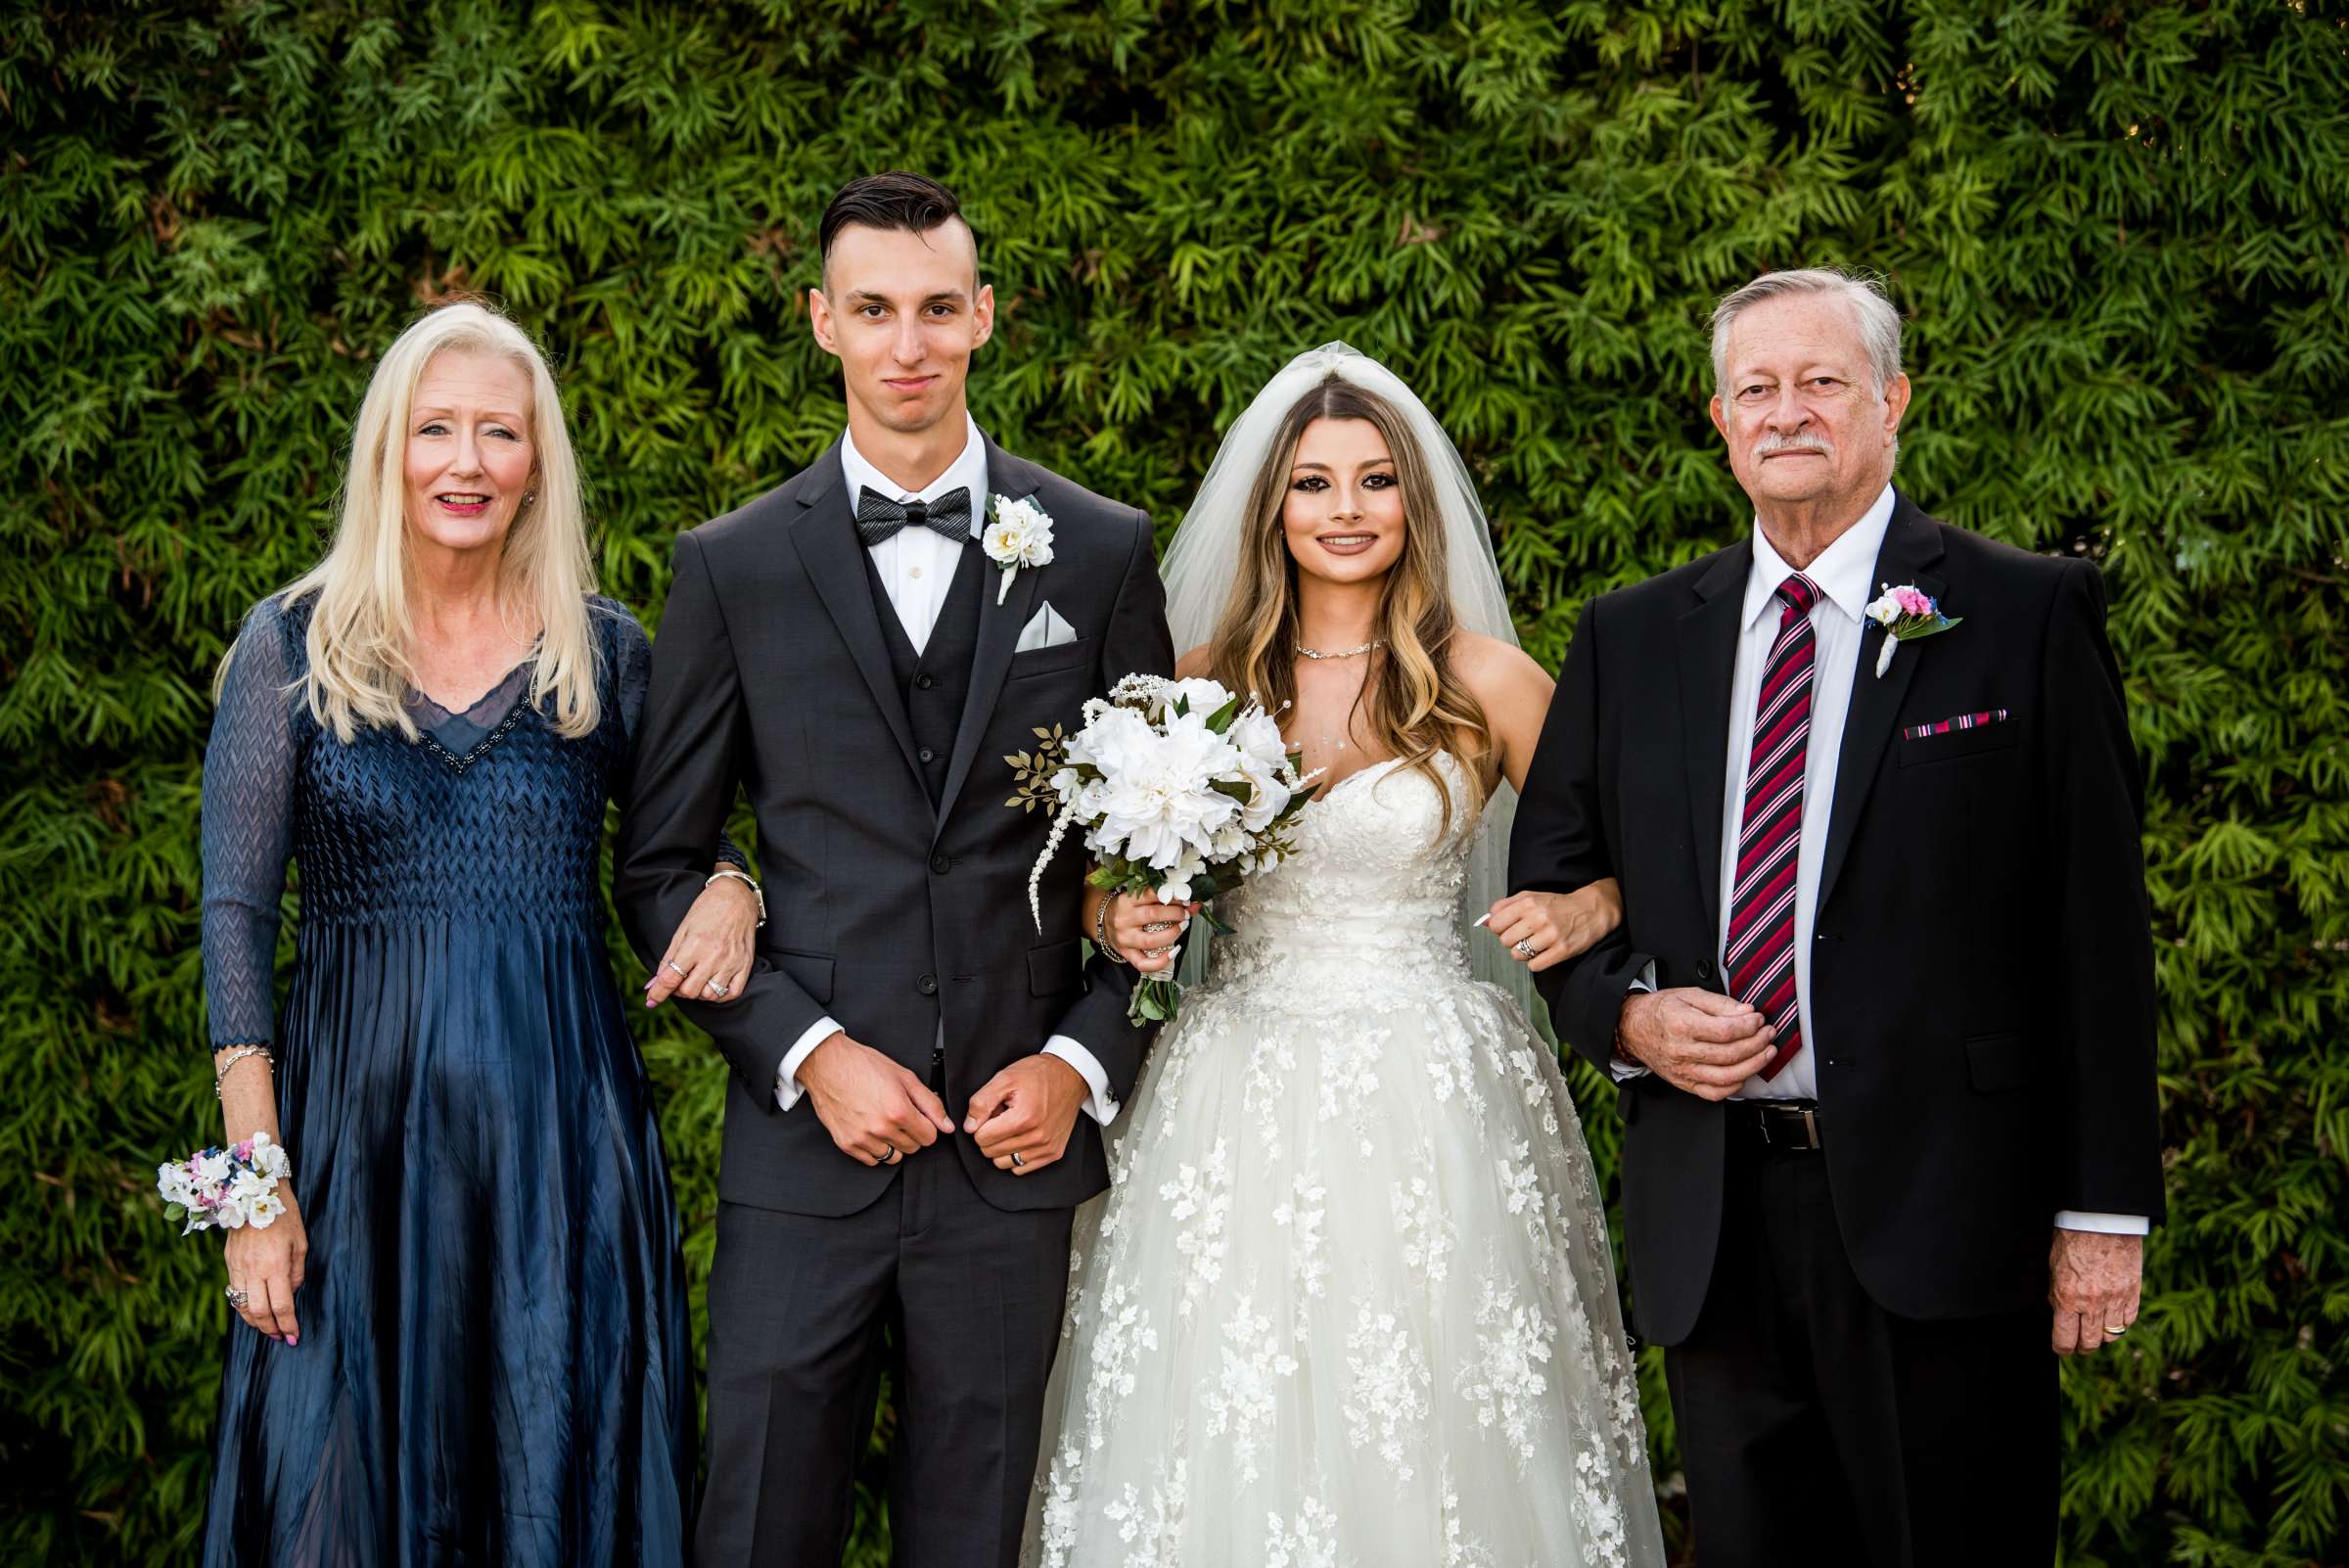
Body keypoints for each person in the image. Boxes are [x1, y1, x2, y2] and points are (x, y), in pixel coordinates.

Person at [1508, 268, 2164, 1566]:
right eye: (1759, 387)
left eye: (1822, 380)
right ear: (1719, 418)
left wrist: (2104, 1211)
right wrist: (1629, 1017)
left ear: (1892, 401)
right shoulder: (1633, 637)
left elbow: (2097, 928)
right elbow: (1554, 889)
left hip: (1946, 1208)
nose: (1789, 410)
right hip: (1717, 1217)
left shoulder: (2024, 611)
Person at [1024, 346, 1665, 1568]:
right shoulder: (1198, 687)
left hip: (1431, 1091)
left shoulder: (1484, 680)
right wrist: (1121, 920)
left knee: (1435, 1407)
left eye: (1375, 482)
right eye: (1315, 484)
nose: (1347, 511)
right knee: (1227, 1404)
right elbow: (1104, 884)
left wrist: (1587, 911)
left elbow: (1652, 856)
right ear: (1275, 508)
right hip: (1231, 1096)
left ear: (1412, 504)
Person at [616, 171, 1175, 1568]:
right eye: (874, 310)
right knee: (755, 1523)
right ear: (823, 322)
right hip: (805, 1155)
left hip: (1015, 1149)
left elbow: (1173, 853)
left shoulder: (1101, 549)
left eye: (937, 308)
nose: (908, 344)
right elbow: (661, 863)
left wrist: (1081, 1064)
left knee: (979, 1531)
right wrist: (806, 1049)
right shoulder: (732, 566)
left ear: (984, 316)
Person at [197, 300, 756, 1566]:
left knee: (555, 1475)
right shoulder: (287, 648)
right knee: (324, 1488)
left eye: (498, 432)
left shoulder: (603, 656)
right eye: (435, 428)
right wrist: (252, 1190)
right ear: (388, 449)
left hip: (561, 1158)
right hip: (348, 1160)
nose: (466, 460)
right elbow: (233, 918)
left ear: (537, 463)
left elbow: (692, 839)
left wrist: (738, 887)